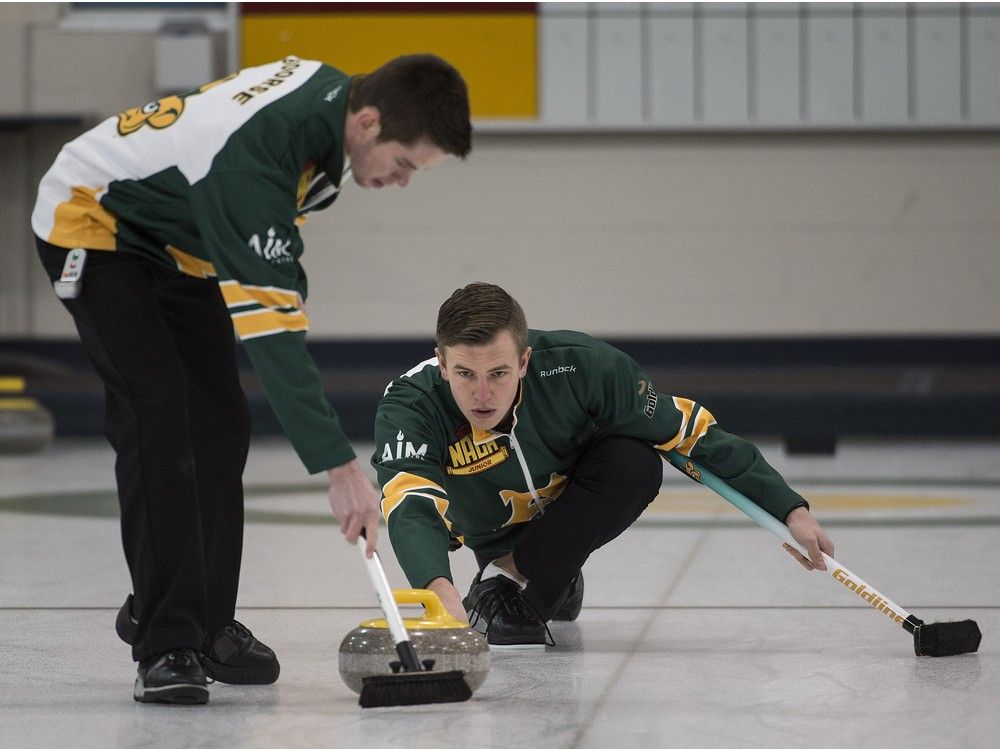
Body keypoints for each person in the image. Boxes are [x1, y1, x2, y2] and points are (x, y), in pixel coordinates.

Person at [31, 54, 471, 704]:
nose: (402, 181)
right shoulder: (255, 159)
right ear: (370, 121)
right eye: (404, 164)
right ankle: (165, 640)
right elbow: (270, 333)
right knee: (158, 415)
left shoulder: (329, 115)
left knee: (220, 420)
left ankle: (207, 623)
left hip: (180, 237)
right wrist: (339, 468)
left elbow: (277, 266)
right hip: (94, 223)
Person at [372, 282, 834, 647]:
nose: (482, 395)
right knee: (536, 607)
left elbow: (690, 433)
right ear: (441, 361)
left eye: (499, 373)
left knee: (635, 461)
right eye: (465, 374)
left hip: (569, 507)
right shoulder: (410, 406)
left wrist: (789, 509)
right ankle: (549, 574)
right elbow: (410, 504)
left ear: (525, 359)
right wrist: (444, 599)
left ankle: (517, 572)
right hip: (488, 529)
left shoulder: (582, 368)